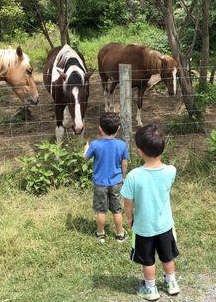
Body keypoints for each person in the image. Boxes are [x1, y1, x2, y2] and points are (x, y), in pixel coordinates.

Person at [121, 124, 179, 301]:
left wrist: (130, 217)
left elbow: (128, 201)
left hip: (144, 227)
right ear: (163, 147)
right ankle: (172, 283)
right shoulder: (171, 171)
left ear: (139, 150)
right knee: (167, 257)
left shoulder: (134, 175)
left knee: (148, 260)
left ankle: (150, 288)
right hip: (165, 224)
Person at [84, 112, 129, 243]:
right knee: (117, 210)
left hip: (100, 184)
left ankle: (100, 234)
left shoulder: (95, 144)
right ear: (118, 128)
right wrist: (123, 176)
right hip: (116, 182)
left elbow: (86, 158)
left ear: (100, 128)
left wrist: (86, 148)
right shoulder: (121, 145)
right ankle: (120, 234)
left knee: (101, 210)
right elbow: (125, 162)